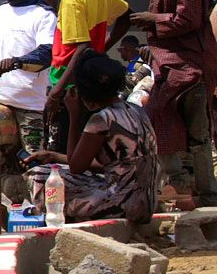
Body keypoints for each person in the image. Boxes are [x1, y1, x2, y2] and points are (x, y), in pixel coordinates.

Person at [126, 0, 216, 206]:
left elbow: (187, 19)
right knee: (159, 119)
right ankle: (177, 184)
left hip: (189, 68)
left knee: (198, 135)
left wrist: (153, 20)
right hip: (168, 67)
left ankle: (206, 193)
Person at [25, 51, 161, 224]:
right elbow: (111, 165)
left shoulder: (102, 120)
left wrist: (74, 115)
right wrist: (53, 157)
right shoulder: (136, 111)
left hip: (122, 203)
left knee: (39, 177)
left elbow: (76, 167)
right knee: (56, 172)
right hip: (146, 203)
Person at [46, 0, 130, 153]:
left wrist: (56, 93)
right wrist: (100, 52)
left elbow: (81, 49)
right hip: (86, 83)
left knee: (60, 153)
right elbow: (126, 17)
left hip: (70, 86)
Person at [0, 0, 58, 158]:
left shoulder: (43, 15)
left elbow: (46, 54)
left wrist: (16, 62)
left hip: (28, 104)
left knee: (34, 162)